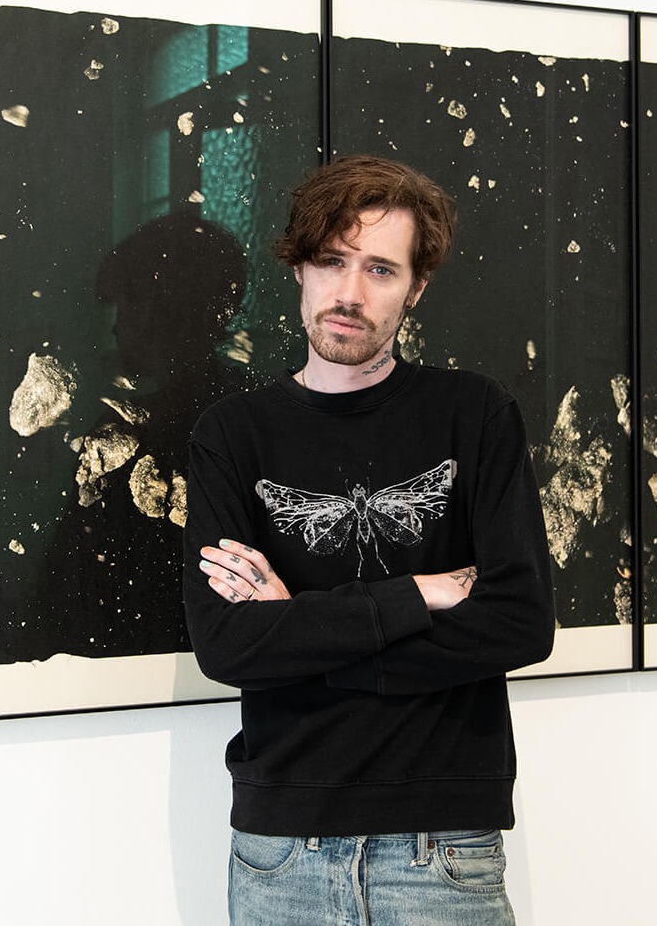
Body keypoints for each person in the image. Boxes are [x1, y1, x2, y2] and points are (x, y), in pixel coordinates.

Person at [182, 155, 556, 925]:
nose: (349, 292)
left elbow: (521, 622)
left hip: (442, 846)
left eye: (381, 269)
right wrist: (420, 592)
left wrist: (301, 630)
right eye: (331, 260)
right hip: (283, 851)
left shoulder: (476, 415)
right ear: (299, 267)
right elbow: (225, 645)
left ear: (416, 287)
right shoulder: (232, 435)